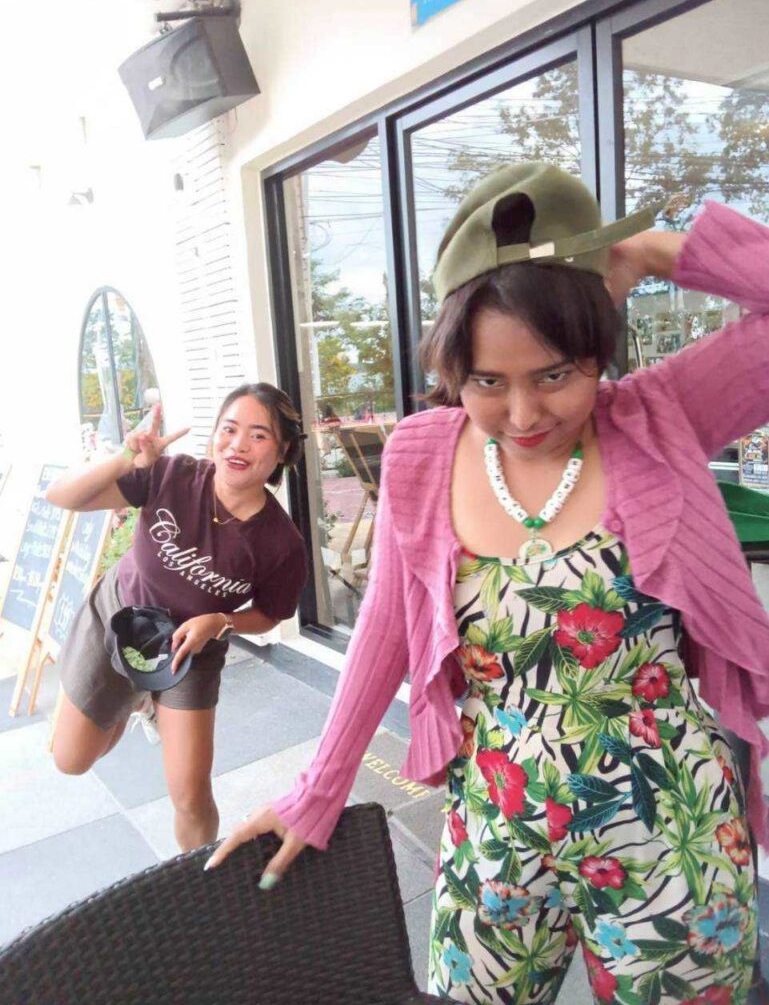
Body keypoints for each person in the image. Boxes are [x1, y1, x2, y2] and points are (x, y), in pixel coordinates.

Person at [207, 165, 768, 1003]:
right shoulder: (421, 454)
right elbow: (386, 629)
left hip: (671, 826)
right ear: (453, 371)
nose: (523, 415)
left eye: (555, 374)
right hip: (497, 823)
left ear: (597, 352)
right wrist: (317, 790)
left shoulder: (661, 416)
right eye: (486, 382)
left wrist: (650, 252)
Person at [48, 382, 308, 851]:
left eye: (258, 435)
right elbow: (62, 496)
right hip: (118, 617)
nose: (237, 445)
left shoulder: (281, 543)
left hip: (190, 649)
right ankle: (135, 700)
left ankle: (199, 878)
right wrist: (125, 459)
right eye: (229, 429)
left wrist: (221, 622)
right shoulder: (170, 475)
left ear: (283, 451)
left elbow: (270, 614)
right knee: (70, 760)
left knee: (190, 795)